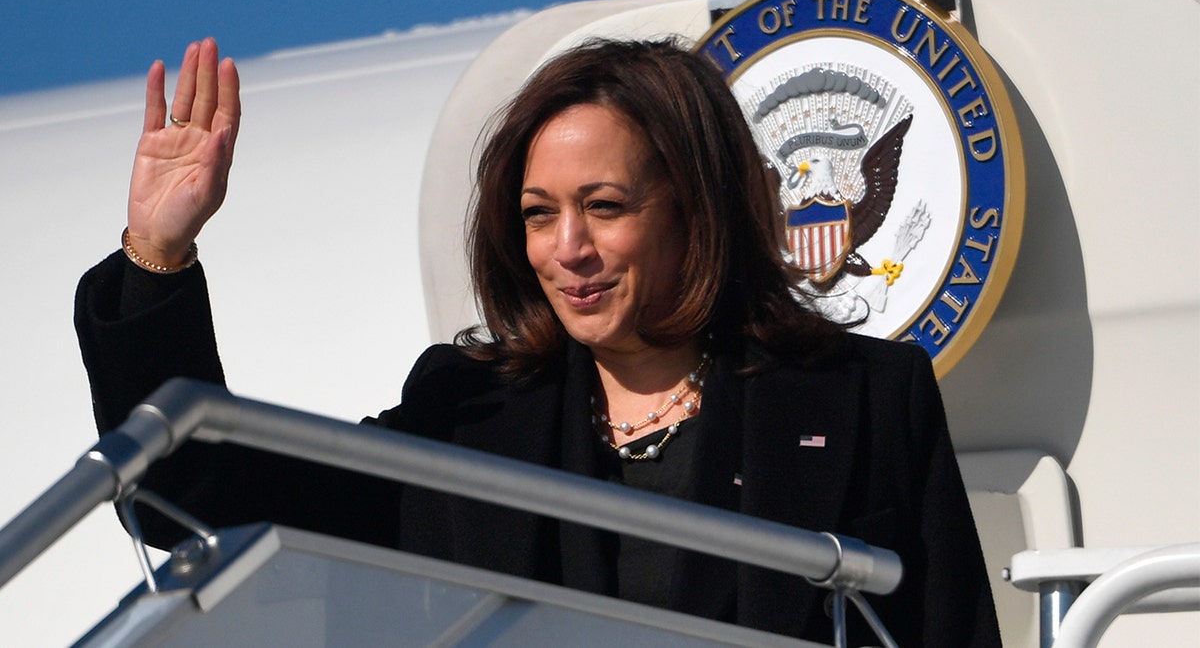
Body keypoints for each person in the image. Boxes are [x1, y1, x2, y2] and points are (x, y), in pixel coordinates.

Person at [75, 36, 1000, 645]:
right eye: (538, 214)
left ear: (696, 207)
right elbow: (191, 498)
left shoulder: (868, 395)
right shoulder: (466, 412)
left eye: (605, 206)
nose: (569, 250)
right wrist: (158, 253)